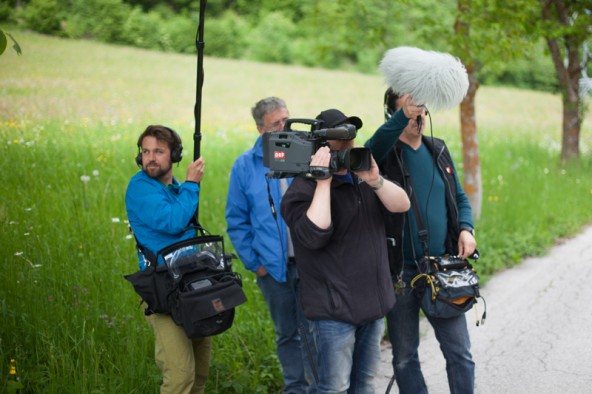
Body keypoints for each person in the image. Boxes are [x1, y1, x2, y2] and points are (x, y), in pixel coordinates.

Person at [280, 109, 411, 393]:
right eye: (340, 138)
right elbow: (315, 234)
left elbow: (402, 204)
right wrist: (323, 181)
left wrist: (375, 180)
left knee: (364, 386)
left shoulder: (363, 179)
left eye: (351, 136)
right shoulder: (302, 190)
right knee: (334, 388)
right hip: (332, 315)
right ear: (320, 147)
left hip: (373, 308)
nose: (349, 144)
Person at [365, 88, 478, 394]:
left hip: (442, 269)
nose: (419, 116)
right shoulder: (385, 155)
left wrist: (466, 228)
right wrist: (403, 114)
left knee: (460, 354)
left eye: (422, 110)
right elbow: (371, 147)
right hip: (400, 273)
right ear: (393, 113)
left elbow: (458, 197)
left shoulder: (437, 149)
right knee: (404, 357)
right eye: (410, 110)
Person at [225, 97, 316, 393]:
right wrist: (256, 264)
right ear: (260, 129)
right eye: (276, 123)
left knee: (315, 330)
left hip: (311, 263)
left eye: (287, 120)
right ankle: (295, 388)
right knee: (287, 334)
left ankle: (323, 387)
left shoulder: (304, 155)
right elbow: (236, 220)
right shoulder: (245, 165)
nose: (284, 127)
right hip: (273, 270)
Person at [125, 125, 210, 394]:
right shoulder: (140, 187)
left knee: (199, 371)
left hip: (191, 284)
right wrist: (193, 184)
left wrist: (186, 188)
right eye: (146, 151)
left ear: (174, 155)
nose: (150, 158)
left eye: (159, 152)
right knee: (180, 376)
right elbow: (173, 222)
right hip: (164, 289)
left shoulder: (174, 188)